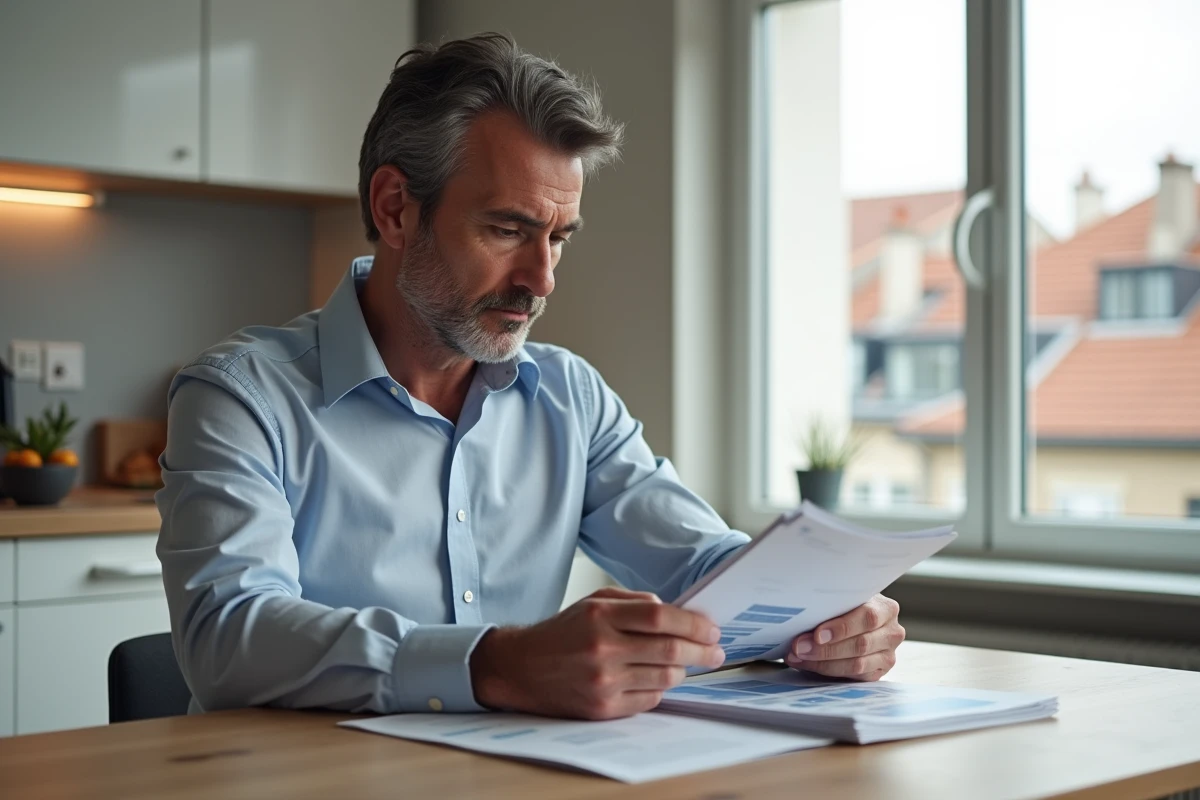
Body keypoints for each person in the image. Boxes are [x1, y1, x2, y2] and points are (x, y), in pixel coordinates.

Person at [156, 32, 904, 721]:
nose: (541, 280)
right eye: (508, 230)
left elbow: (702, 563)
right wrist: (495, 664)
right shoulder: (241, 397)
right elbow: (228, 636)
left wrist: (825, 614)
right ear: (395, 210)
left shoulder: (569, 397)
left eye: (558, 238)